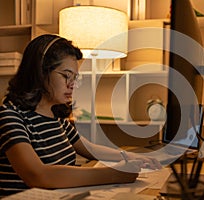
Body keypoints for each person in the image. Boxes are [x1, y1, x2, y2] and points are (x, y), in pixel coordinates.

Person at [0, 34, 161, 197]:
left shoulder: (56, 117)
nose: (72, 85)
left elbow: (89, 148)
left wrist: (129, 156)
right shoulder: (10, 116)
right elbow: (38, 175)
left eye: (75, 78)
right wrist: (115, 174)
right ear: (40, 72)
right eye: (66, 75)